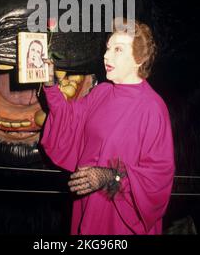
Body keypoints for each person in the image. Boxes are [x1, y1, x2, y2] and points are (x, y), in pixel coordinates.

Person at [40, 20, 175, 235]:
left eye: (118, 49)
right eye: (108, 48)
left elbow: (158, 178)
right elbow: (69, 119)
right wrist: (50, 85)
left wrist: (111, 176)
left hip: (119, 218)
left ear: (139, 59)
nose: (106, 55)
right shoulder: (101, 92)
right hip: (87, 204)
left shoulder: (153, 108)